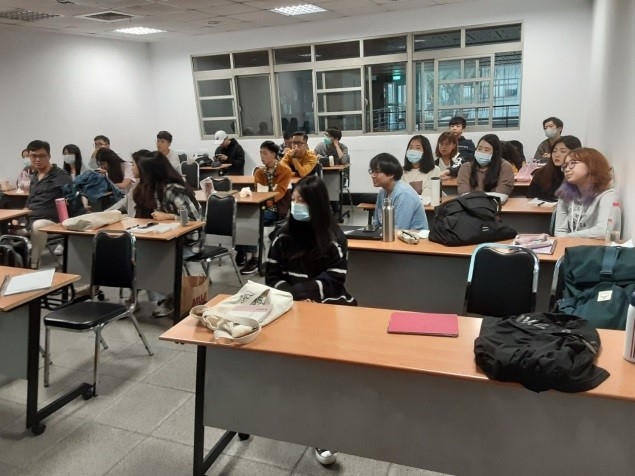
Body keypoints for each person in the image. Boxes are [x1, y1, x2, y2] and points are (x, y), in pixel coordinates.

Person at [266, 174, 356, 307]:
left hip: (327, 302)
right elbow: (272, 277)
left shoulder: (333, 239)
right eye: (293, 200)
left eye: (301, 201)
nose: (296, 205)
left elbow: (334, 279)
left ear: (316, 204)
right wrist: (292, 296)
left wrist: (303, 294)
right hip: (288, 302)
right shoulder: (282, 237)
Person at [132, 150, 201, 316]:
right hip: (165, 239)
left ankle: (171, 297)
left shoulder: (173, 190)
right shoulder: (149, 188)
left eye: (134, 165)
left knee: (149, 257)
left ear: (147, 171)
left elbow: (195, 218)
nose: (132, 168)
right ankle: (163, 295)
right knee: (139, 253)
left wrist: (169, 216)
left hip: (187, 242)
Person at [236, 141, 292, 275]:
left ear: (273, 154)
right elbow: (258, 192)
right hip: (261, 205)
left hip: (277, 208)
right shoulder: (259, 172)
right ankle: (242, 248)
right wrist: (260, 201)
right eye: (260, 153)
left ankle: (254, 258)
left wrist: (265, 202)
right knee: (240, 217)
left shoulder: (285, 170)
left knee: (252, 220)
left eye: (265, 153)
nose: (261, 156)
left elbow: (279, 193)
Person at [22, 140, 72, 267]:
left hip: (51, 221)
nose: (37, 159)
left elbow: (71, 201)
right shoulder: (34, 177)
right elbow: (29, 202)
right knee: (5, 226)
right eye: (34, 156)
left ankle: (33, 265)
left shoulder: (61, 176)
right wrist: (18, 217)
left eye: (42, 156)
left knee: (38, 225)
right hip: (29, 219)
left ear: (49, 156)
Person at [553, 147, 616, 239]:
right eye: (565, 165)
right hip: (569, 245)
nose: (567, 169)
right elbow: (559, 231)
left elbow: (603, 231)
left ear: (591, 165)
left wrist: (569, 237)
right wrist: (566, 241)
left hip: (594, 247)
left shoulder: (607, 195)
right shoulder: (565, 194)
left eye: (573, 163)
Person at [369, 153, 428, 230]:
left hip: (413, 236)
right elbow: (377, 224)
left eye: (377, 172)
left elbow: (399, 228)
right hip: (390, 234)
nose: (373, 175)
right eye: (372, 171)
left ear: (391, 174)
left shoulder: (403, 194)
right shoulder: (382, 193)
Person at [527, 135, 582, 202]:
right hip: (542, 208)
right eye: (554, 151)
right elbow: (530, 197)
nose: (557, 155)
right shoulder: (542, 173)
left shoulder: (580, 175)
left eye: (563, 151)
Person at [314, 127, 350, 212]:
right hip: (323, 175)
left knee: (331, 184)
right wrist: (316, 157)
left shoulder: (343, 147)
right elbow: (310, 158)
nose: (325, 137)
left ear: (336, 138)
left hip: (339, 176)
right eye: (325, 134)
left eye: (328, 135)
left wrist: (336, 145)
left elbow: (344, 161)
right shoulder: (320, 146)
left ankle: (334, 205)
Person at [401, 135, 440, 199]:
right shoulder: (401, 171)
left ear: (426, 151)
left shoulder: (434, 170)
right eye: (410, 148)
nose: (413, 151)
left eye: (418, 148)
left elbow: (427, 195)